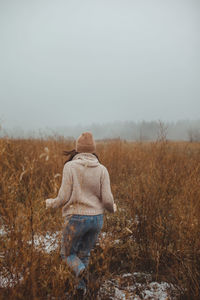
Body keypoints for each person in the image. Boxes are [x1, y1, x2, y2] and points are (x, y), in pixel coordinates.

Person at [45, 132, 116, 298]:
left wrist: (50, 203)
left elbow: (63, 197)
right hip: (97, 219)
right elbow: (107, 200)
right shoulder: (102, 169)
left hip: (76, 218)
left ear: (77, 149)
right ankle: (80, 291)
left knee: (67, 255)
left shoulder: (70, 167)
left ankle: (87, 279)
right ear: (93, 150)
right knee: (84, 254)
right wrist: (113, 208)